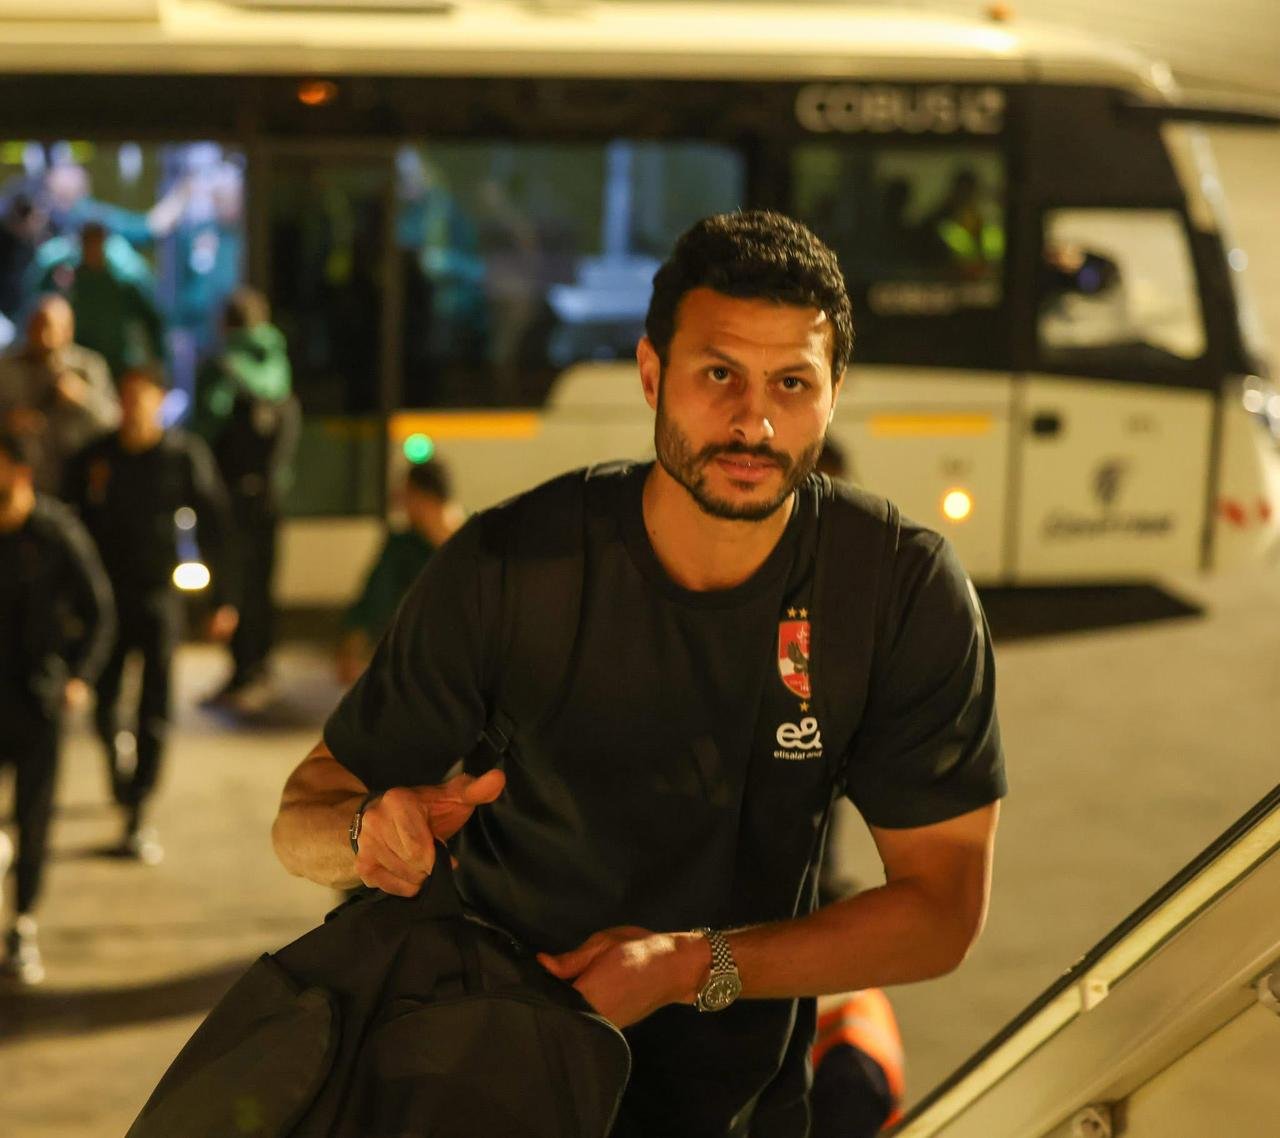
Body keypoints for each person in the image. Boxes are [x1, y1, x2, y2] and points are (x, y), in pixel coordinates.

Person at [272, 210, 1005, 1135]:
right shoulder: (513, 567)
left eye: (791, 383)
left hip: (741, 1112)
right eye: (718, 374)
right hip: (484, 1090)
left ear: (834, 393)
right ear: (652, 373)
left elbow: (941, 911)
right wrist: (367, 832)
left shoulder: (896, 589)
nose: (753, 421)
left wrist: (692, 967)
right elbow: (301, 816)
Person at [62, 365, 237, 863]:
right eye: (128, 397)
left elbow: (216, 523)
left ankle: (139, 807)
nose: (135, 407)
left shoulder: (181, 455)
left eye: (144, 397)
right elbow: (70, 528)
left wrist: (223, 598)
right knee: (104, 699)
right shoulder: (96, 457)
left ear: (160, 402)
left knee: (154, 704)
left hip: (158, 596)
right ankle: (119, 765)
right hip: (104, 602)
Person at [0, 430, 115, 984]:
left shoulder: (56, 532)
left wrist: (80, 677)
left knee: (34, 818)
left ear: (21, 474)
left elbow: (100, 611)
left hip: (37, 699)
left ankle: (21, 923)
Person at [192, 287, 299, 712]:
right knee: (255, 584)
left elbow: (205, 425)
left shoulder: (223, 366)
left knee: (237, 585)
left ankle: (248, 670)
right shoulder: (278, 366)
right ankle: (250, 669)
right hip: (266, 495)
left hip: (236, 495)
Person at [336, 457, 462, 686]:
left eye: (407, 495)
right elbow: (372, 600)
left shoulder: (469, 544)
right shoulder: (403, 547)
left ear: (423, 497)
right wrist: (351, 651)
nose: (401, 504)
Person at [0, 293, 118, 493]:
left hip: (78, 476)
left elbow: (113, 421)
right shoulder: (6, 369)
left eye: (48, 326)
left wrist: (82, 397)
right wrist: (8, 422)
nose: (42, 334)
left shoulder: (89, 367)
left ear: (68, 331)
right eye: (36, 325)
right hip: (22, 480)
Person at [48, 221, 167, 381]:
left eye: (96, 242)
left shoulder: (123, 279)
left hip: (117, 363)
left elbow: (152, 320)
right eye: (87, 242)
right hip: (79, 365)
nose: (91, 248)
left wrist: (157, 360)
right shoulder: (69, 279)